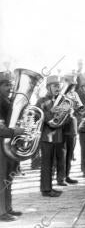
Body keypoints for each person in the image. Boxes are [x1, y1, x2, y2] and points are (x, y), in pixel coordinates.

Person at [0, 72, 25, 221]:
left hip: (7, 145)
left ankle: (7, 208)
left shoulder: (7, 101)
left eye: (10, 84)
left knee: (8, 176)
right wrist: (16, 130)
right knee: (1, 177)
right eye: (6, 85)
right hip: (1, 145)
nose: (10, 88)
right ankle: (1, 211)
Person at [36, 75, 64, 197]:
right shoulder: (42, 100)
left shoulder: (61, 100)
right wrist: (51, 113)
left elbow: (64, 120)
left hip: (56, 136)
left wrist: (65, 113)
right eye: (55, 86)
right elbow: (38, 116)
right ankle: (46, 189)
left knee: (52, 163)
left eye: (58, 86)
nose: (58, 88)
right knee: (46, 164)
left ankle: (49, 187)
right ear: (48, 87)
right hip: (46, 136)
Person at [61, 73, 83, 185]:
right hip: (62, 126)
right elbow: (59, 110)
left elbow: (80, 108)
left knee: (70, 153)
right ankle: (61, 177)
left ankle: (67, 175)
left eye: (74, 84)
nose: (73, 87)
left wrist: (83, 111)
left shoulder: (74, 94)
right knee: (62, 153)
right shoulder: (60, 94)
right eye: (71, 84)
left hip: (72, 126)